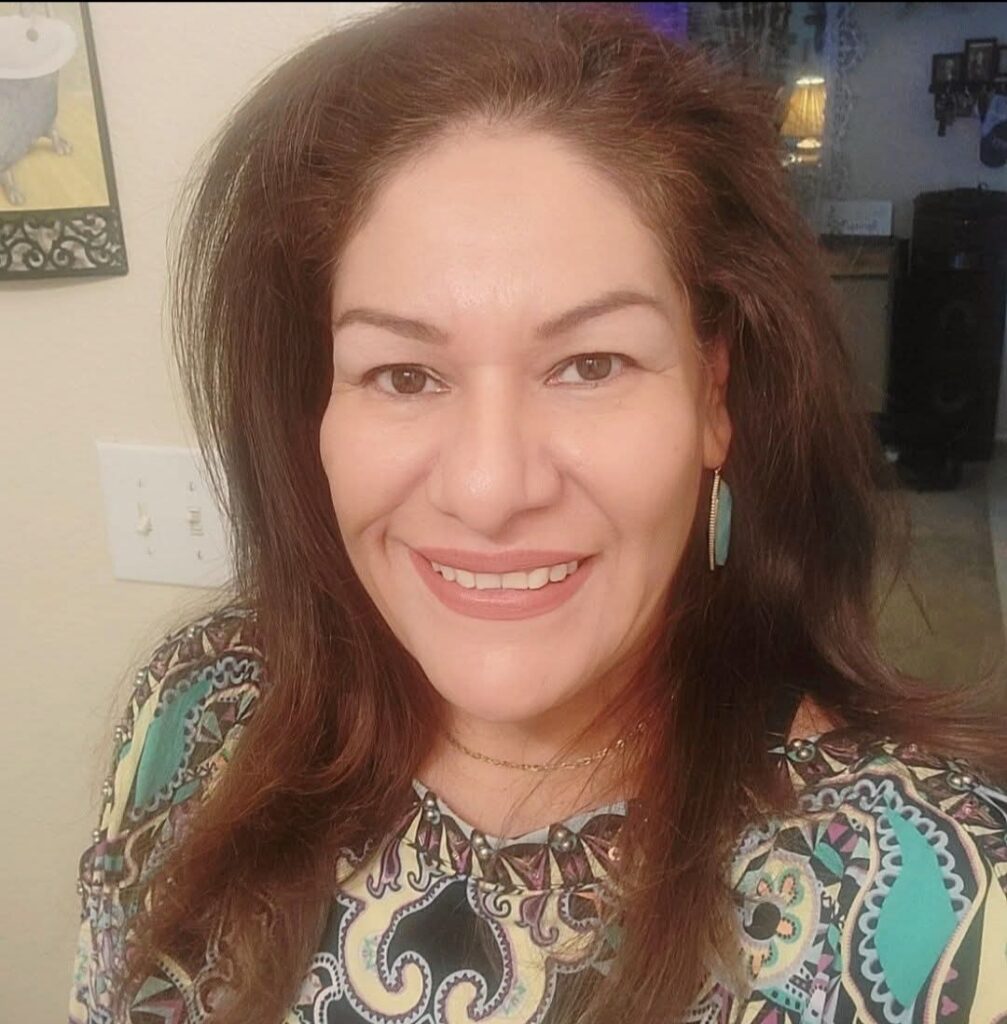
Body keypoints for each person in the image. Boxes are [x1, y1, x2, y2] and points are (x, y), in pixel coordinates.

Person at [69, 3, 1007, 1023]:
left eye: (589, 364)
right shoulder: (195, 715)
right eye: (402, 374)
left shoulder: (938, 897)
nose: (489, 488)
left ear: (712, 397)